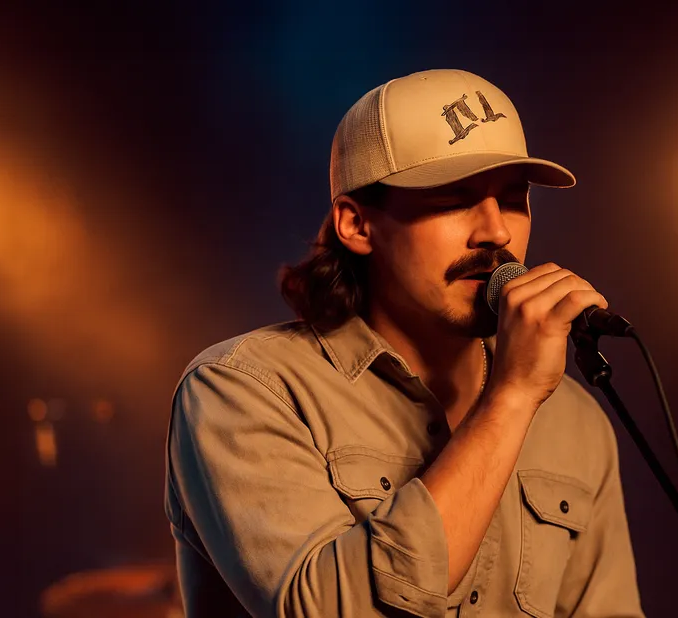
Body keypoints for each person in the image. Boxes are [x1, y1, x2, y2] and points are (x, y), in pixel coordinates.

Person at [165, 68, 644, 617]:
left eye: (513, 200)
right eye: (452, 200)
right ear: (357, 225)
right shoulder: (243, 390)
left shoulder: (576, 423)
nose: (497, 233)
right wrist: (511, 398)